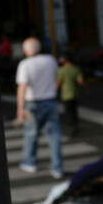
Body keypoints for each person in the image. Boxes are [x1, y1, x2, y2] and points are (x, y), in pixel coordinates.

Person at [16, 37, 63, 179]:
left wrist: (20, 108)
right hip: (50, 101)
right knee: (54, 136)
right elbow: (58, 77)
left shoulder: (25, 64)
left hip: (33, 104)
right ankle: (57, 167)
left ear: (25, 50)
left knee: (31, 134)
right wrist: (52, 90)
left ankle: (30, 162)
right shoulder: (50, 60)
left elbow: (22, 87)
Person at [56, 49, 84, 138]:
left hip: (66, 94)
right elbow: (80, 81)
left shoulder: (61, 70)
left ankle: (71, 127)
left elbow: (58, 83)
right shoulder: (75, 69)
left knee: (68, 112)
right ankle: (76, 125)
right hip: (74, 93)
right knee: (75, 110)